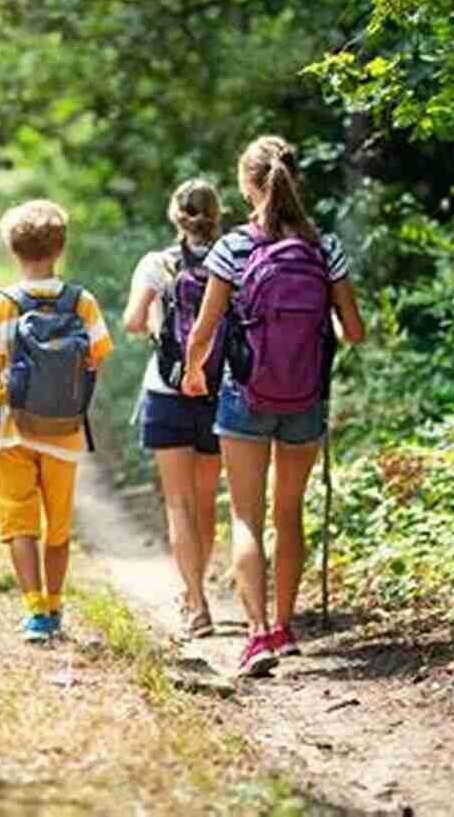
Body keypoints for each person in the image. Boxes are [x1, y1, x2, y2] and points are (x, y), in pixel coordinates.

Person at [182, 135, 365, 676]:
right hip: (304, 397)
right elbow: (354, 331)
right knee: (289, 515)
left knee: (245, 514)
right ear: (293, 179)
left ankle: (257, 634)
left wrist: (194, 372)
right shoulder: (323, 247)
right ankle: (286, 628)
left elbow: (204, 330)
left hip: (245, 394)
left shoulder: (235, 246)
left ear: (245, 183)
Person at [0, 200, 113, 641]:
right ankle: (56, 607)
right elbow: (97, 360)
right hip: (65, 432)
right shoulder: (83, 302)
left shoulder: (1, 305)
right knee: (57, 526)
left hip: (11, 431)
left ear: (13, 251)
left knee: (20, 521)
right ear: (61, 247)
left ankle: (35, 612)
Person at [122, 179, 225, 641]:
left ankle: (196, 603)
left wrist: (154, 328)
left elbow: (133, 321)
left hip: (166, 390)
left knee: (178, 504)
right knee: (206, 503)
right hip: (219, 391)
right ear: (217, 214)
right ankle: (195, 591)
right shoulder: (235, 257)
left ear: (175, 216)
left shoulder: (156, 263)